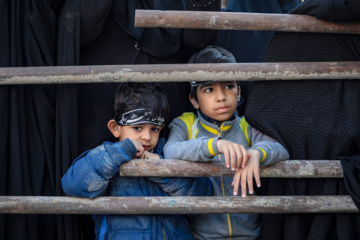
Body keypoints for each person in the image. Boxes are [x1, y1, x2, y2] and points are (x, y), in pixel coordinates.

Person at [163, 46, 290, 239]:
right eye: (209, 89)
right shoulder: (186, 124)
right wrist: (216, 145)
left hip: (249, 234)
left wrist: (256, 154)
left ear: (239, 93)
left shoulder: (248, 124)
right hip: (201, 235)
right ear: (194, 100)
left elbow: (280, 149)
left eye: (228, 86)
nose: (221, 97)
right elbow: (170, 151)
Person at [61, 82, 212, 240]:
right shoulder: (106, 156)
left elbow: (201, 196)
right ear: (115, 128)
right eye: (137, 128)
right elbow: (73, 186)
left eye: (154, 129)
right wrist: (120, 151)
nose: (147, 137)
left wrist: (163, 168)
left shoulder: (169, 153)